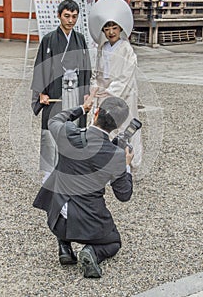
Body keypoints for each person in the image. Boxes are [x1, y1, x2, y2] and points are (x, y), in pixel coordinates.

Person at [33, 93, 134, 278]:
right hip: (87, 226)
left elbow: (54, 119)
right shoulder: (116, 155)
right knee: (114, 241)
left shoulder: (68, 133)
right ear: (117, 126)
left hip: (56, 219)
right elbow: (124, 194)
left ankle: (64, 246)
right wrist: (126, 165)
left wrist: (81, 109)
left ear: (96, 113)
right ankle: (92, 252)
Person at [31, 0, 91, 178]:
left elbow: (86, 66)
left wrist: (87, 92)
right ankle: (49, 172)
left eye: (74, 16)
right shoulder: (49, 39)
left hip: (75, 91)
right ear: (59, 16)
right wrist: (41, 92)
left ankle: (71, 168)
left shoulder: (80, 39)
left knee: (74, 127)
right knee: (52, 129)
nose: (70, 20)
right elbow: (40, 65)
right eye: (67, 16)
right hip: (56, 91)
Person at [88, 0, 142, 168]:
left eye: (114, 28)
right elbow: (96, 72)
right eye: (107, 28)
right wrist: (94, 89)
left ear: (120, 29)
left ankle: (128, 162)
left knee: (125, 126)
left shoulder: (126, 49)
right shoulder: (102, 49)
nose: (111, 32)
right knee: (104, 126)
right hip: (105, 92)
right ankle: (106, 163)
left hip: (122, 93)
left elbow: (126, 76)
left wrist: (111, 91)